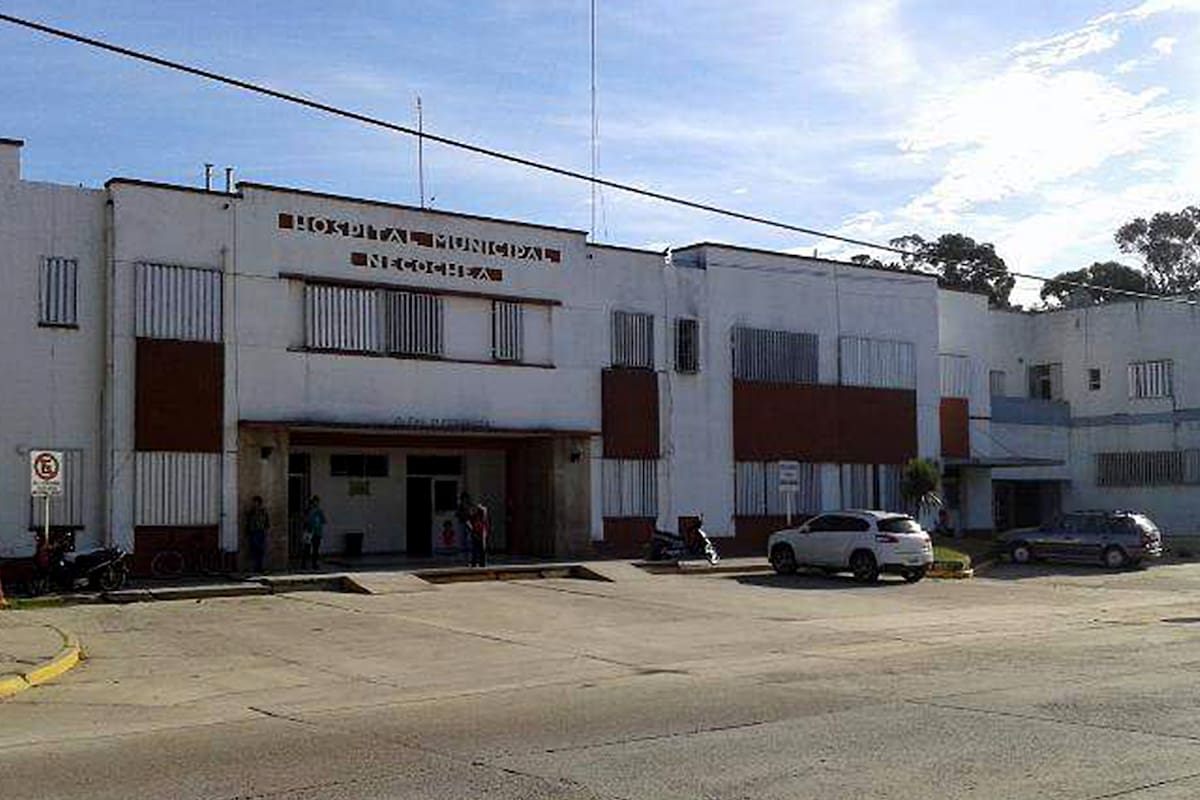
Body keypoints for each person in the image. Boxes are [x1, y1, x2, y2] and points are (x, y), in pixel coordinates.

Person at [245, 496, 269, 573]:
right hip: (253, 532)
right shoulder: (251, 512)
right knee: (253, 550)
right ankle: (254, 567)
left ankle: (260, 567)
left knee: (260, 550)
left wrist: (265, 530)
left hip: (260, 532)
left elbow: (266, 522)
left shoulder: (263, 512)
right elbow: (248, 522)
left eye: (255, 502)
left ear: (258, 503)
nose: (254, 504)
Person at [303, 495, 327, 570]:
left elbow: (324, 521)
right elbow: (305, 520)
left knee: (315, 549)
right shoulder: (308, 511)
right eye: (314, 502)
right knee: (307, 548)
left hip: (317, 532)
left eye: (317, 502)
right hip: (309, 532)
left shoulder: (319, 511)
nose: (316, 503)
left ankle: (314, 564)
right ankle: (304, 564)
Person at [455, 491, 474, 561]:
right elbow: (457, 514)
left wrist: (469, 513)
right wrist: (462, 514)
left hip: (469, 523)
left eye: (466, 498)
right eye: (463, 498)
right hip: (462, 523)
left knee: (469, 540)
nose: (465, 500)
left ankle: (470, 556)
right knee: (462, 540)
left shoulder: (470, 505)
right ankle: (463, 556)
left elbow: (472, 514)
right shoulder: (460, 506)